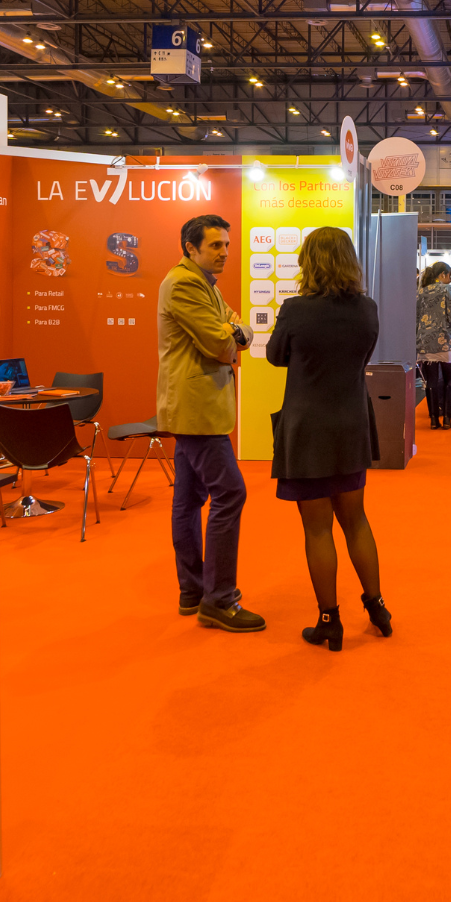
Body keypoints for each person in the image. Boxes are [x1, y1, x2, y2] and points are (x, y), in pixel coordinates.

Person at [266, 227, 391, 651]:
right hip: (352, 424)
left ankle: (329, 620)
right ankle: (377, 607)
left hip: (307, 430)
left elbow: (275, 356)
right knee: (356, 520)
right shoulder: (367, 309)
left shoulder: (296, 309)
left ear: (310, 263)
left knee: (318, 529)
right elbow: (363, 356)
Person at [157, 213, 261, 632]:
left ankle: (193, 590)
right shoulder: (183, 284)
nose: (224, 253)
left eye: (226, 245)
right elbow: (222, 341)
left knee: (188, 498)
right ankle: (218, 599)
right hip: (196, 410)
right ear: (191, 247)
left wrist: (236, 332)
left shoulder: (205, 285)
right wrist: (234, 334)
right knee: (230, 493)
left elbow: (238, 328)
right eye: (216, 245)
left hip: (198, 408)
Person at [415, 262, 451, 429]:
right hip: (446, 341)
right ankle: (447, 419)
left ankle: (433, 419)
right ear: (443, 274)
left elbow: (416, 318)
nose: (450, 279)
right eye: (449, 275)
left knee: (431, 381)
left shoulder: (421, 291)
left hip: (426, 342)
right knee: (449, 380)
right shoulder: (447, 289)